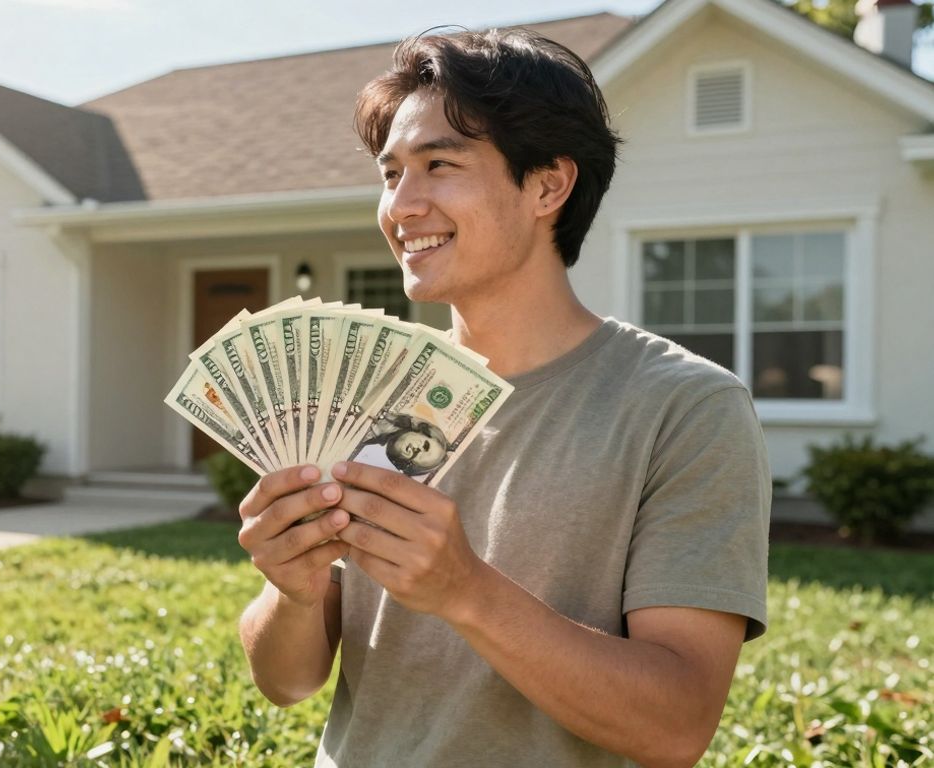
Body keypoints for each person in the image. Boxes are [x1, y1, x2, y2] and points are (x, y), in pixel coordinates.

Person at [235, 27, 770, 768]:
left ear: (548, 184)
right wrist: (291, 593)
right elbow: (288, 683)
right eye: (391, 174)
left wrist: (466, 592)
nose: (401, 206)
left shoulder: (685, 409)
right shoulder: (366, 394)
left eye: (439, 166)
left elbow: (675, 726)